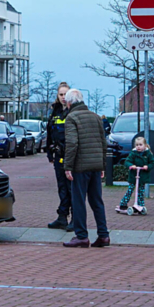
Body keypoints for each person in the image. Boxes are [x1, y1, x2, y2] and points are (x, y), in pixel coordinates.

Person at [62, 88, 111, 248]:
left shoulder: (72, 118)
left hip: (80, 167)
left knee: (78, 201)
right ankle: (103, 235)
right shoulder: (96, 117)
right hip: (96, 166)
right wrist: (102, 164)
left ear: (69, 103)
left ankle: (81, 236)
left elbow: (72, 143)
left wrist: (68, 166)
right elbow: (103, 142)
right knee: (97, 201)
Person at [45, 82, 73, 231]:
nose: (63, 97)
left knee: (71, 188)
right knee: (62, 187)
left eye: (65, 94)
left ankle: (75, 219)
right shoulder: (54, 111)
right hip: (58, 155)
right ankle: (62, 217)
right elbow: (50, 133)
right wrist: (49, 152)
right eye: (61, 94)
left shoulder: (73, 111)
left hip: (70, 156)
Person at [118, 135, 154, 215]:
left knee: (141, 192)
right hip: (134, 176)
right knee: (130, 190)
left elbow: (152, 163)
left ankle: (140, 205)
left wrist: (147, 167)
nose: (138, 147)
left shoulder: (148, 154)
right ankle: (123, 204)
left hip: (142, 177)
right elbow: (127, 161)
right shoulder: (133, 153)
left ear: (145, 145)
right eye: (137, 145)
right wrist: (131, 165)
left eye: (140, 145)